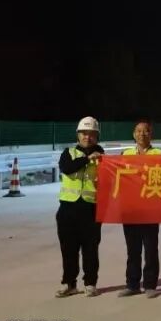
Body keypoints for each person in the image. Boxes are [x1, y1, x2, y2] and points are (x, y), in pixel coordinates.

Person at [55, 116, 104, 298]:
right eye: (84, 133)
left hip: (91, 209)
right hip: (68, 209)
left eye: (91, 134)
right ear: (78, 135)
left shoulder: (103, 157)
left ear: (97, 136)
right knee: (68, 249)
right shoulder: (68, 153)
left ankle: (90, 283)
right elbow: (67, 168)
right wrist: (87, 159)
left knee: (91, 249)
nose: (87, 137)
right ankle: (69, 283)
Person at [118, 119, 161, 299]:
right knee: (133, 249)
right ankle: (132, 284)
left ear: (151, 134)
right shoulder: (125, 154)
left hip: (151, 209)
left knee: (151, 249)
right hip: (131, 209)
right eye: (138, 131)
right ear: (133, 134)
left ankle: (150, 285)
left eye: (146, 131)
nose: (142, 134)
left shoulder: (160, 154)